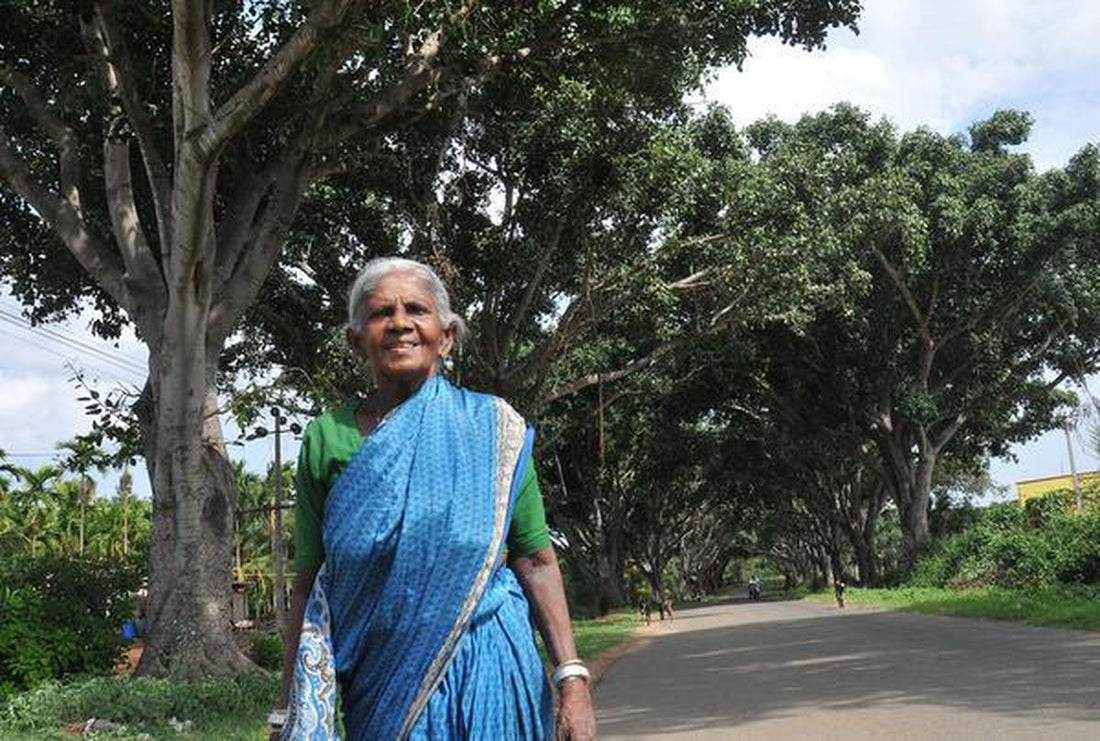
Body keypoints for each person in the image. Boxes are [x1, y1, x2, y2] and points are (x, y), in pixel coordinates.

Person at [269, 258, 596, 740]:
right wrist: (286, 709)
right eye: (381, 313)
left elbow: (536, 560)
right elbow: (309, 585)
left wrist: (572, 679)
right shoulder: (326, 440)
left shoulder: (494, 430)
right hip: (381, 685)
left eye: (416, 310)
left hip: (492, 667)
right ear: (355, 342)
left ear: (445, 337)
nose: (400, 323)